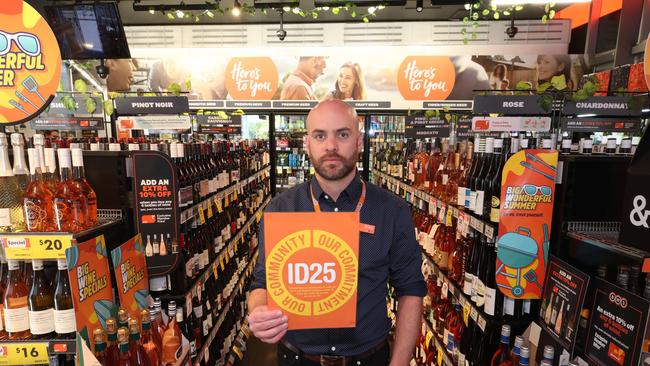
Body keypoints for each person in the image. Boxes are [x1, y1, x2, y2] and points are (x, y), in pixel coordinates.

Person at [248, 100, 426, 366]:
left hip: (368, 359)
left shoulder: (392, 211)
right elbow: (262, 282)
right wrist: (258, 310)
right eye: (320, 135)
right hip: (298, 359)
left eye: (342, 134)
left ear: (359, 141)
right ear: (308, 143)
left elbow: (410, 290)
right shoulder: (280, 209)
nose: (331, 146)